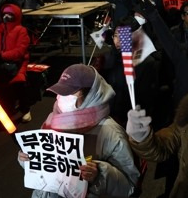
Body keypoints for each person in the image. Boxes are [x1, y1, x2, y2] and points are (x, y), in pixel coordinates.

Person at [17, 64, 140, 197]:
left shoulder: (110, 132)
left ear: (91, 94)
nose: (62, 97)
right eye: (61, 91)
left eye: (70, 92)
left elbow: (129, 186)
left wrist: (99, 174)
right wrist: (28, 160)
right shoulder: (52, 119)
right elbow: (44, 165)